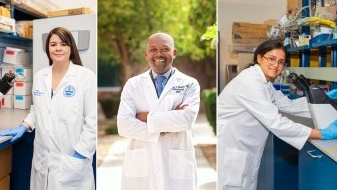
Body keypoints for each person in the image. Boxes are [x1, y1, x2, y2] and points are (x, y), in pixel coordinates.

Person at [217, 39, 337, 190]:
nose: (276, 65)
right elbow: (276, 123)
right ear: (259, 58)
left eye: (281, 62)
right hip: (233, 147)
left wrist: (324, 99)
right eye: (272, 59)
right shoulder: (249, 82)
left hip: (243, 149)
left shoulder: (265, 83)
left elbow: (289, 104)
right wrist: (321, 134)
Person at [0, 27, 96, 190]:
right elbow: (37, 109)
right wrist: (24, 126)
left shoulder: (86, 77)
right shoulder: (40, 76)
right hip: (43, 160)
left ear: (70, 48)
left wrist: (80, 155)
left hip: (71, 160)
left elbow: (92, 123)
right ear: (47, 49)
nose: (58, 48)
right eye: (53, 44)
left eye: (63, 44)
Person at [117, 32, 200, 190]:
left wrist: (144, 117)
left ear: (174, 53)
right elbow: (123, 125)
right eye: (153, 50)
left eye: (165, 49)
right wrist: (164, 128)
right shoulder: (133, 85)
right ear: (146, 54)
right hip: (141, 166)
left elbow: (186, 120)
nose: (159, 54)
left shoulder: (189, 84)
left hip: (177, 165)